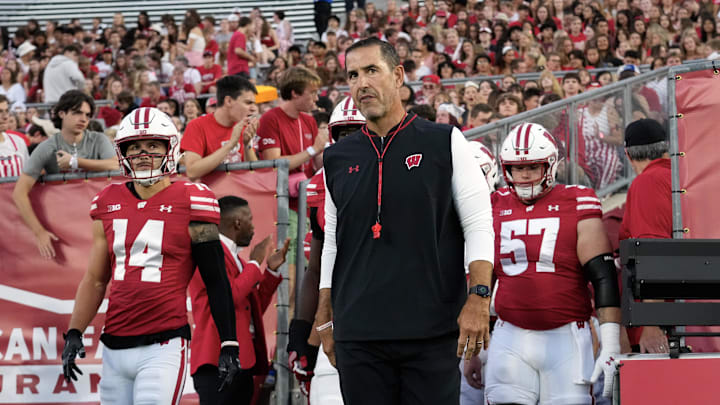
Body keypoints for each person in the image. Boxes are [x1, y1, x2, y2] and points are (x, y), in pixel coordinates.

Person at [315, 37, 495, 404]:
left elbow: (478, 223)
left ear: (398, 76)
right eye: (352, 75)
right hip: (358, 333)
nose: (361, 83)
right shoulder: (335, 158)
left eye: (371, 71)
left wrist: (478, 298)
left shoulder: (446, 141)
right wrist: (325, 314)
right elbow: (333, 240)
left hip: (430, 332)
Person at [60, 107, 240, 404]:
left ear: (170, 147)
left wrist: (229, 341)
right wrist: (74, 332)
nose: (143, 154)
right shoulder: (107, 200)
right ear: (123, 152)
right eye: (135, 147)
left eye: (153, 145)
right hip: (114, 345)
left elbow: (215, 279)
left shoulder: (193, 198)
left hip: (164, 342)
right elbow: (94, 279)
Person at [485, 122, 622, 404]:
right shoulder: (495, 203)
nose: (523, 174)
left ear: (550, 165)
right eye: (516, 167)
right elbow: (480, 276)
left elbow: (603, 274)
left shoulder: (577, 200)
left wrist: (610, 342)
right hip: (509, 334)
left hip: (566, 336)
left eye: (533, 167)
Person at [287, 96, 366, 405]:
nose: (351, 142)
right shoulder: (322, 183)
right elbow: (317, 266)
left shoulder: (403, 174)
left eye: (358, 132)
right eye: (344, 134)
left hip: (391, 317)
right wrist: (301, 332)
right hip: (340, 321)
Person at [189, 195, 289, 405]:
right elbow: (228, 296)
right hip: (215, 360)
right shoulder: (208, 253)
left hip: (242, 362)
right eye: (250, 220)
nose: (253, 227)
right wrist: (255, 262)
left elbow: (250, 310)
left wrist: (269, 271)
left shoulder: (238, 260)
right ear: (237, 222)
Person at [12, 90, 118, 259]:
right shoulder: (47, 147)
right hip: (65, 224)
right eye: (77, 113)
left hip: (100, 221)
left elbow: (116, 164)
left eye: (87, 115)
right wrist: (39, 232)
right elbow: (19, 192)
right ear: (61, 113)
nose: (83, 119)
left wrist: (75, 162)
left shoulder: (98, 139)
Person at [257, 66, 328, 282]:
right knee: (290, 272)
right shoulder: (270, 119)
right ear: (295, 93)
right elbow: (275, 163)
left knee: (305, 267)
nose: (316, 98)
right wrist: (313, 149)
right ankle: (288, 315)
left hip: (306, 205)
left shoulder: (309, 120)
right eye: (312, 92)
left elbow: (316, 162)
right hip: (283, 207)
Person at [619, 119, 671, 354]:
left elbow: (653, 251)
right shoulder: (684, 179)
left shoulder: (647, 182)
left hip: (669, 323)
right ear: (665, 149)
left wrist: (652, 324)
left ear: (628, 155)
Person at [181, 75, 259, 182]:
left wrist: (247, 144)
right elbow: (192, 171)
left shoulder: (244, 126)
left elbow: (254, 173)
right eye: (248, 103)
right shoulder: (197, 126)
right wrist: (231, 144)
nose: (253, 108)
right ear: (228, 101)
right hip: (211, 195)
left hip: (240, 193)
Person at [0, 95, 29, 178]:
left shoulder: (18, 141)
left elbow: (27, 175)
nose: (5, 117)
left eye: (6, 111)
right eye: (0, 111)